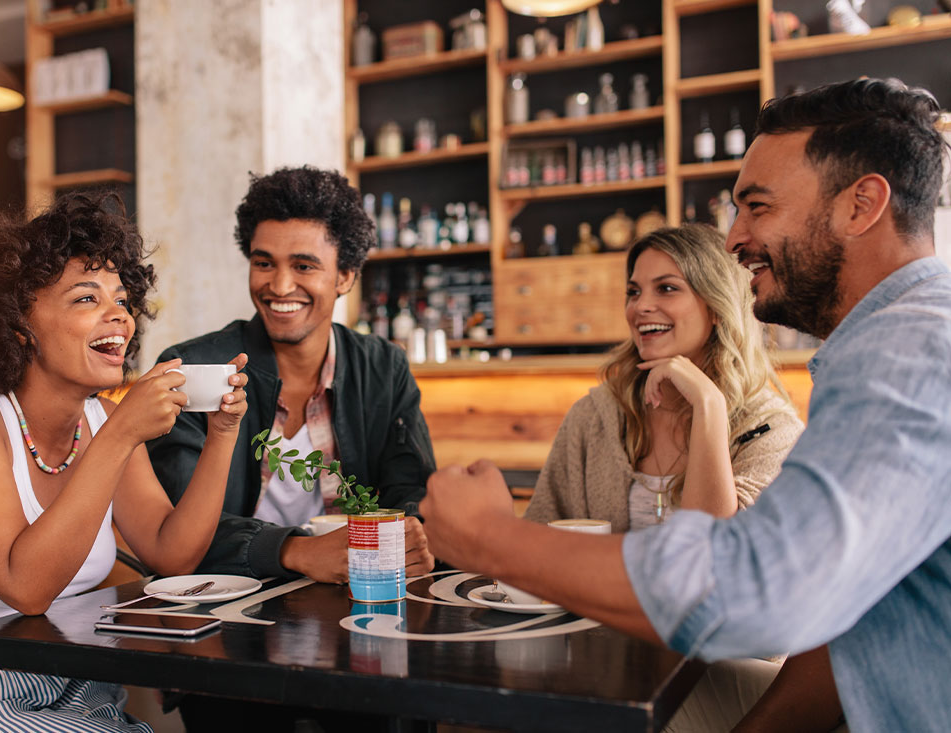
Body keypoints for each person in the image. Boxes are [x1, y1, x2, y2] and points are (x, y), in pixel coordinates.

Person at [420, 77, 951, 732]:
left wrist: (492, 539)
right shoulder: (892, 341)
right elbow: (850, 623)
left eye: (757, 207)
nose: (734, 238)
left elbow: (752, 590)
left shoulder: (909, 351)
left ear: (861, 204)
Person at [0, 192, 248, 732]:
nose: (119, 314)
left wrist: (223, 435)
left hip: (75, 687)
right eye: (86, 299)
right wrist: (120, 436)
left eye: (121, 298)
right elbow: (25, 587)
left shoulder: (101, 419)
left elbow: (173, 552)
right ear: (20, 322)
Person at [146, 166, 436, 731]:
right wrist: (295, 552)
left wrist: (407, 536)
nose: (279, 286)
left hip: (359, 613)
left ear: (346, 275)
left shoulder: (384, 368)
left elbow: (409, 491)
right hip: (228, 626)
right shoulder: (195, 370)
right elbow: (178, 528)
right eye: (263, 263)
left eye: (304, 265)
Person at [525, 224, 802, 531]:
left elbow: (715, 551)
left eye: (666, 288)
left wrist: (707, 404)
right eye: (633, 292)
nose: (640, 307)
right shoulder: (594, 418)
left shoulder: (772, 432)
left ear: (716, 306)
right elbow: (535, 538)